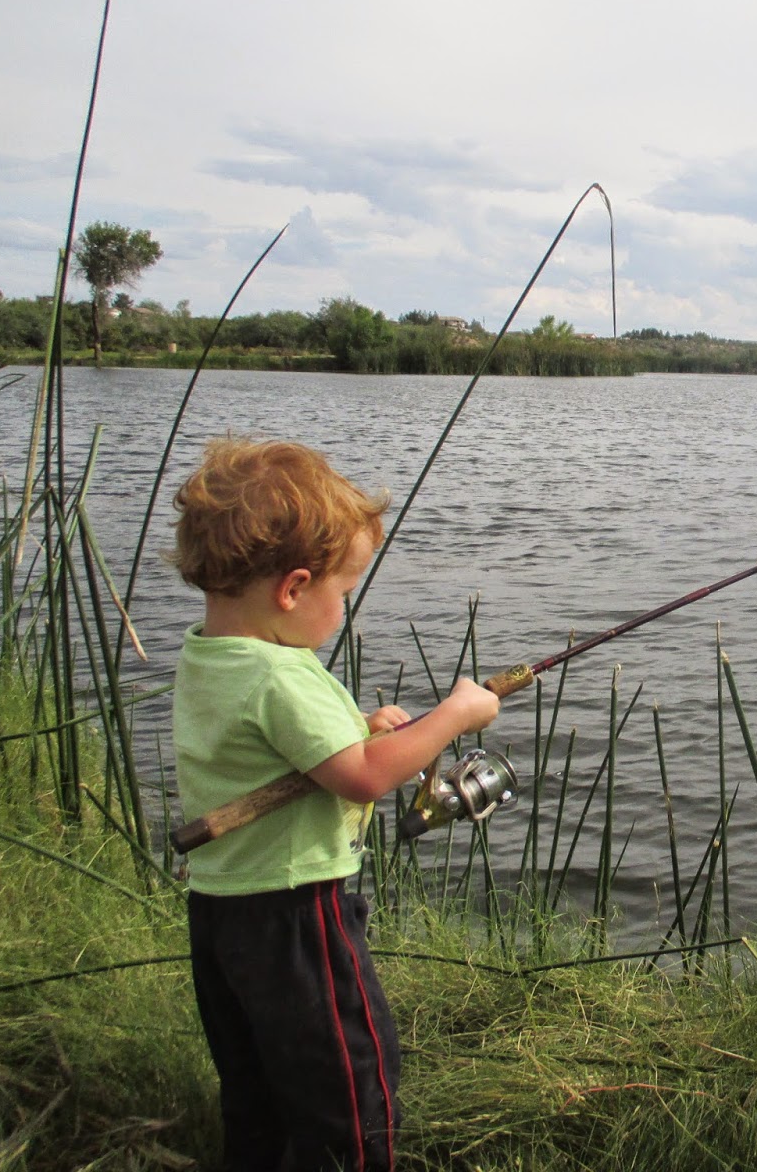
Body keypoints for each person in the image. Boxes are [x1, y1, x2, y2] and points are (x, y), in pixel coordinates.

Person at [171, 437, 498, 1171]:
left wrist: (360, 726)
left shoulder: (208, 654)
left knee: (256, 1087)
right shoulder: (282, 676)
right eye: (341, 591)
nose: (341, 606)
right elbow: (363, 778)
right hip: (296, 916)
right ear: (293, 588)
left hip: (221, 911)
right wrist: (455, 713)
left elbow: (278, 748)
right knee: (347, 1090)